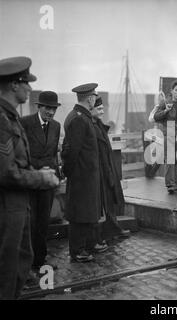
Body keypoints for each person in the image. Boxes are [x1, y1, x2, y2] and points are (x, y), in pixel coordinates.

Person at [0, 56, 59, 299]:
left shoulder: (9, 117)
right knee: (6, 276)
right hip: (7, 210)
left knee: (17, 270)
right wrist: (41, 178)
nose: (30, 88)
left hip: (16, 208)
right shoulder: (3, 120)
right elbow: (6, 172)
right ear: (14, 85)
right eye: (26, 82)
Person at [61, 83, 107, 263]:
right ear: (90, 98)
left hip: (86, 176)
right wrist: (70, 172)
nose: (95, 98)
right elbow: (72, 152)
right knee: (80, 214)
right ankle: (77, 250)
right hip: (82, 177)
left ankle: (86, 245)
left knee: (87, 212)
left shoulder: (79, 116)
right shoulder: (80, 119)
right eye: (94, 96)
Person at [20, 91, 61, 272]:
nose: (50, 112)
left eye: (53, 109)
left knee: (44, 222)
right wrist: (36, 171)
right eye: (47, 108)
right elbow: (21, 153)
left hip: (47, 183)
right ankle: (26, 264)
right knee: (30, 222)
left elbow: (53, 154)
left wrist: (56, 176)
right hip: (31, 180)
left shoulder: (56, 126)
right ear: (39, 107)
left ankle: (40, 260)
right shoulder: (25, 123)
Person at [91, 96, 130, 241]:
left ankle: (113, 228)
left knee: (110, 200)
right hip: (99, 170)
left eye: (102, 108)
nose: (102, 111)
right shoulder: (93, 127)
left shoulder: (99, 125)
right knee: (103, 203)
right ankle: (104, 233)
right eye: (99, 108)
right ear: (91, 109)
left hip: (107, 168)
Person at [154, 80, 177, 193]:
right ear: (172, 91)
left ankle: (175, 182)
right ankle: (170, 184)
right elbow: (155, 117)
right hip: (169, 132)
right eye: (176, 90)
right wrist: (166, 111)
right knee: (170, 159)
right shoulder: (165, 102)